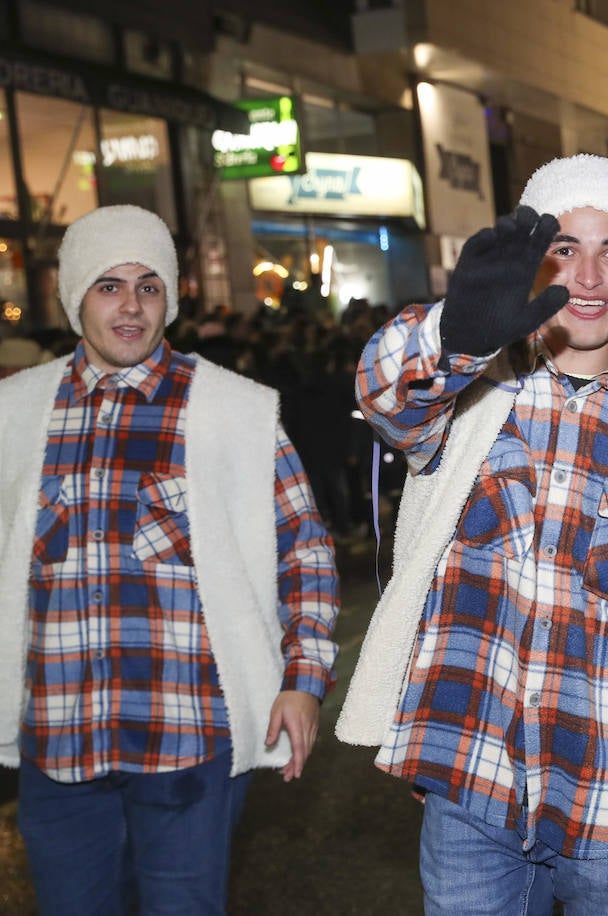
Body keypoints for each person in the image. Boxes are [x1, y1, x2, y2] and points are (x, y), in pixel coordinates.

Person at [336, 154, 608, 914]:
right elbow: (383, 398)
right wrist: (453, 331)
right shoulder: (473, 393)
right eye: (564, 250)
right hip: (471, 784)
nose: (586, 276)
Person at [0, 205, 340, 913]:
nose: (131, 306)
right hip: (58, 743)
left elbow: (303, 548)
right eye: (109, 285)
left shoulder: (231, 410)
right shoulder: (17, 412)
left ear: (172, 299)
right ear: (74, 297)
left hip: (188, 743)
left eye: (149, 286)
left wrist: (304, 679)